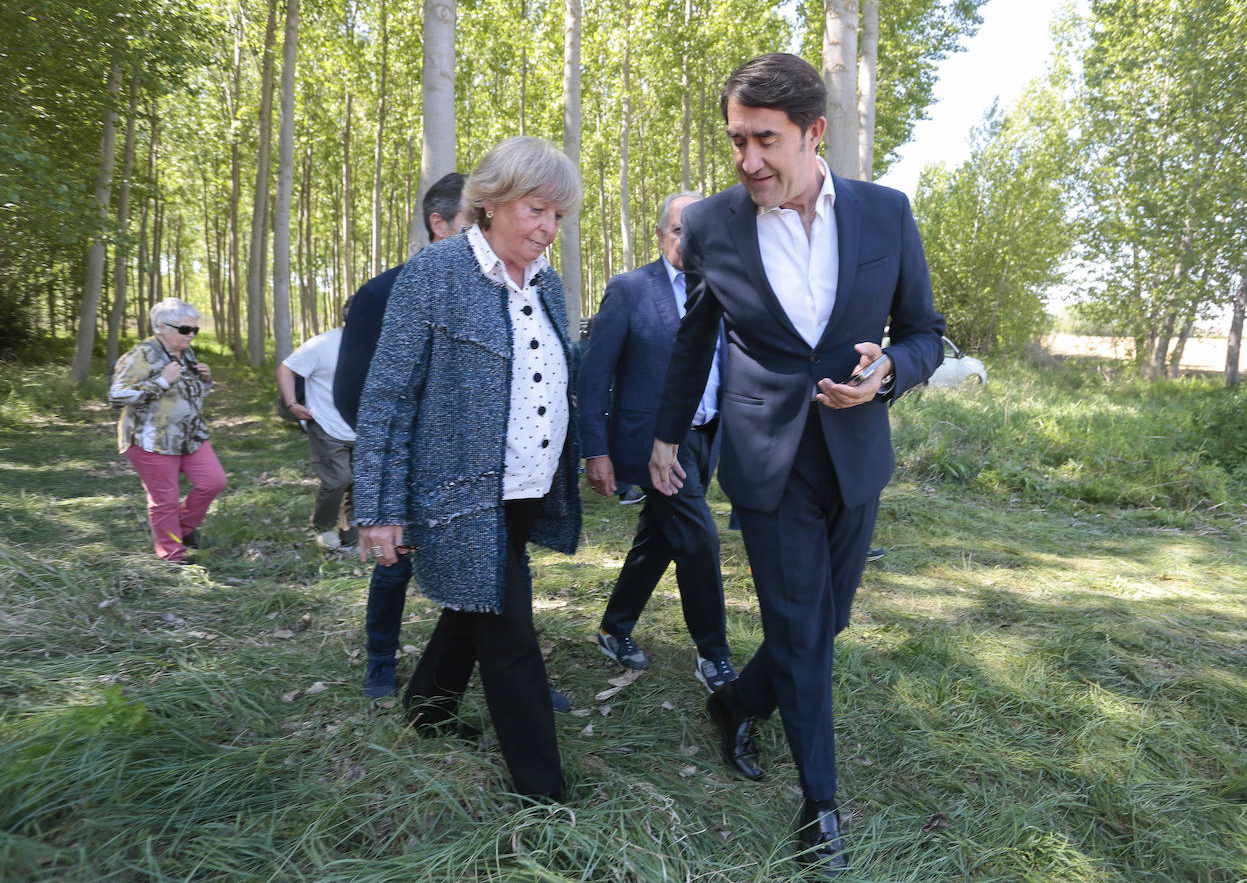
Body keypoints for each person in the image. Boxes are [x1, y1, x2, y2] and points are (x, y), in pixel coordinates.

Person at [649, 54, 945, 875]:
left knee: (827, 620)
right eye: (737, 140)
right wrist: (666, 433)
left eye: (765, 141)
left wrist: (891, 372)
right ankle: (821, 807)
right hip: (766, 459)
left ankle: (736, 702)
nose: (748, 161)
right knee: (805, 635)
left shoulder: (887, 214)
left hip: (855, 458)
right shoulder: (710, 224)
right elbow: (694, 338)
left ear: (814, 134)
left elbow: (925, 330)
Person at [352, 136, 582, 802]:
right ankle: (543, 796)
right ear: (493, 203)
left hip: (526, 486)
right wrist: (378, 505)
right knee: (510, 640)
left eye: (558, 217)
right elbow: (389, 395)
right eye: (538, 210)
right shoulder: (437, 274)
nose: (548, 229)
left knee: (476, 604)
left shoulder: (549, 285)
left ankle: (426, 705)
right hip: (459, 494)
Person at [579, 191, 736, 691]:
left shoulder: (723, 288)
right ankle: (714, 656)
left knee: (659, 537)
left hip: (706, 437)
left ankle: (613, 628)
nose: (688, 242)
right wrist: (595, 449)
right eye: (677, 230)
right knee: (698, 539)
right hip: (655, 446)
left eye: (697, 232)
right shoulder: (630, 289)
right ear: (659, 234)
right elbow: (592, 373)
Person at [335, 172, 466, 697]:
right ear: (438, 224)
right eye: (473, 220)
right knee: (395, 567)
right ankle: (381, 665)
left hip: (478, 463)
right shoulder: (383, 293)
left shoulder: (501, 290)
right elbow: (354, 396)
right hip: (409, 463)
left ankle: (508, 670)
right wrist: (388, 467)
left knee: (497, 567)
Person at [110, 298, 227, 565]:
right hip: (151, 439)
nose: (192, 335)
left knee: (213, 481)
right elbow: (116, 396)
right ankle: (172, 555)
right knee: (164, 500)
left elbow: (186, 393)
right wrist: (161, 381)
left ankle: (182, 531)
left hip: (190, 435)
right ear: (161, 327)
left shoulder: (185, 352)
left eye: (195, 330)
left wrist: (207, 381)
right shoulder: (141, 355)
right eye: (185, 330)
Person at [277, 300, 357, 551]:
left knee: (362, 483)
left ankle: (352, 536)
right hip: (326, 423)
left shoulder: (378, 344)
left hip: (364, 428)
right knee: (338, 479)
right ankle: (322, 527)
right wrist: (292, 404)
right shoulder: (323, 344)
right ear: (347, 314)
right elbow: (286, 368)